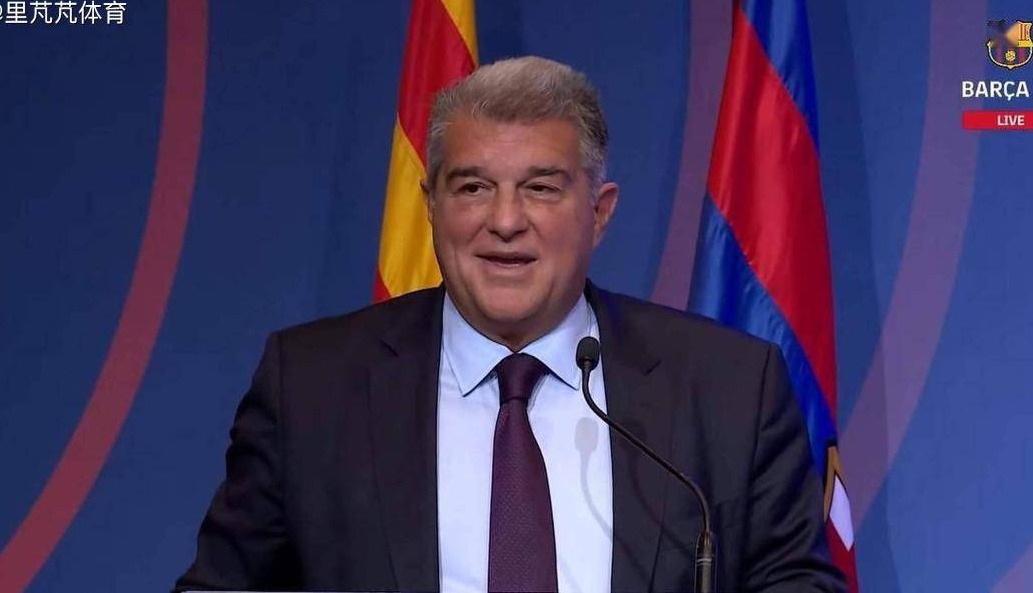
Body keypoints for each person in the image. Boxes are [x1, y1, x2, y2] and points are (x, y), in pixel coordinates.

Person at [176, 56, 845, 593]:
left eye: (540, 188)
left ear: (599, 213)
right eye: (472, 187)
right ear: (430, 206)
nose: (504, 221)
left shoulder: (728, 386)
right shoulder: (312, 387)